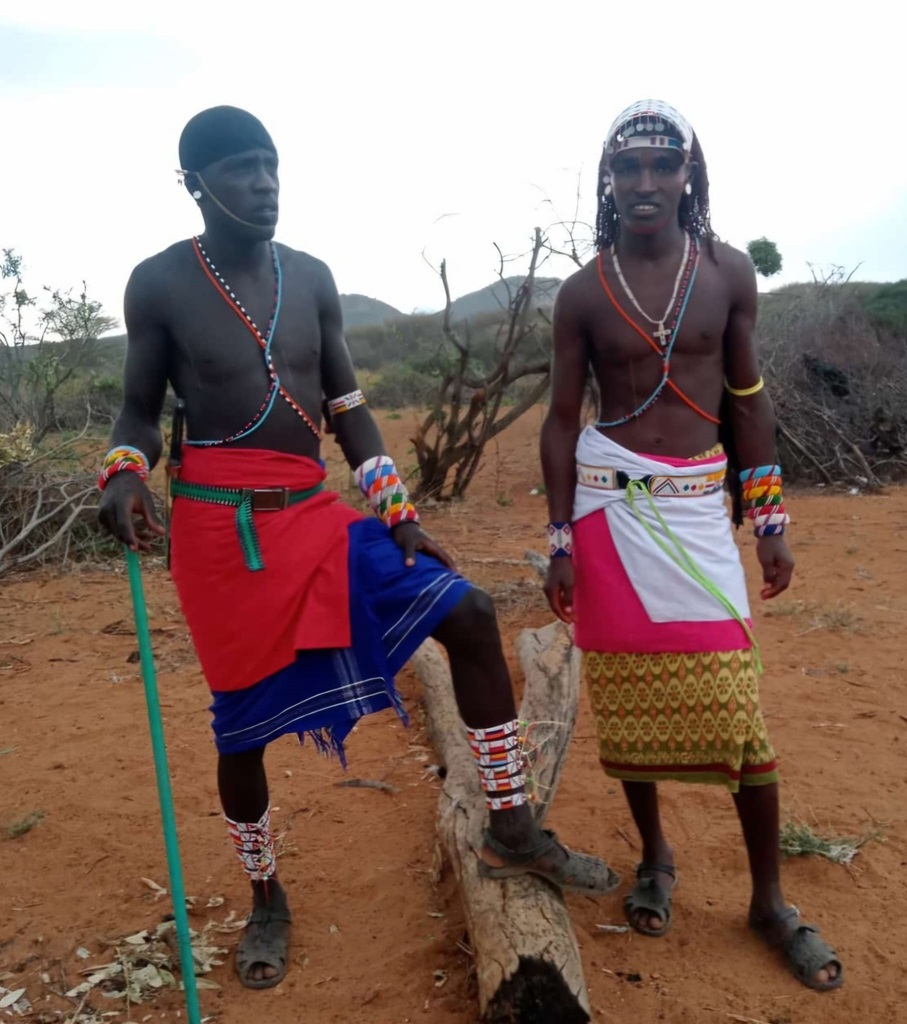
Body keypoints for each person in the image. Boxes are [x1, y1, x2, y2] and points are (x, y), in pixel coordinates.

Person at [97, 105, 617, 991]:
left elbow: (347, 408)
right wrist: (123, 471)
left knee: (469, 612)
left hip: (313, 514)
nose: (265, 182)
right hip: (221, 535)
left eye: (271, 163)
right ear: (194, 183)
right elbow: (139, 411)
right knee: (241, 732)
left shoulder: (311, 277)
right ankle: (266, 896)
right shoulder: (159, 284)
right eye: (241, 167)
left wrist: (397, 511)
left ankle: (511, 827)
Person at [540, 99, 842, 991]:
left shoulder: (726, 273)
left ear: (687, 176)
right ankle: (656, 856)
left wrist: (770, 521)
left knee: (737, 709)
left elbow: (747, 400)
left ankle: (768, 901)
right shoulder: (581, 292)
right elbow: (560, 420)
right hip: (607, 511)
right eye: (626, 167)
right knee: (627, 701)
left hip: (700, 513)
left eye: (661, 166)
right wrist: (557, 537)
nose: (644, 182)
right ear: (607, 180)